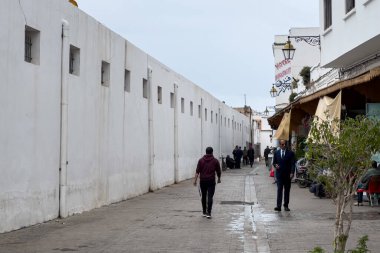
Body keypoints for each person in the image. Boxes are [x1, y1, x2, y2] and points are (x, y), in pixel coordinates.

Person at [193, 147, 221, 219]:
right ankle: (209, 213)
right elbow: (218, 171)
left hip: (203, 181)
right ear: (212, 152)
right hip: (211, 181)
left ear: (206, 152)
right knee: (210, 197)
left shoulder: (201, 160)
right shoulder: (215, 161)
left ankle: (204, 212)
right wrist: (219, 178)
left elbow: (197, 171)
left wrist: (195, 181)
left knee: (204, 196)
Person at [272, 140, 295, 212]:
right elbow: (274, 162)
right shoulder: (276, 153)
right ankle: (278, 206)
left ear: (286, 145)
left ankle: (286, 205)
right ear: (280, 145)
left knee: (287, 190)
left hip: (288, 175)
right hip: (279, 175)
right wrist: (276, 165)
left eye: (284, 144)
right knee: (279, 190)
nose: (283, 145)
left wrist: (292, 172)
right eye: (282, 144)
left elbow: (293, 164)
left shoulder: (291, 153)